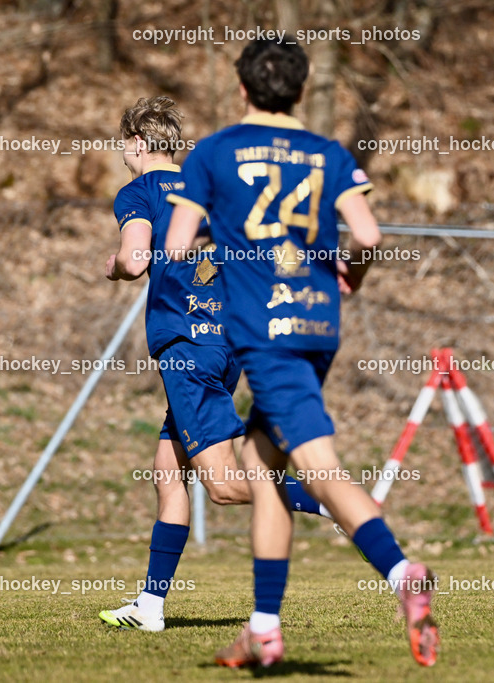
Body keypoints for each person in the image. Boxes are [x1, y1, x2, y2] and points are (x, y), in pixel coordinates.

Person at [165, 40, 439, 668]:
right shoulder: (327, 153)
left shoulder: (213, 153)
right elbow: (367, 235)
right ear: (301, 89)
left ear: (241, 90)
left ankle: (403, 574)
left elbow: (178, 248)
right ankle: (262, 627)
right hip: (317, 323)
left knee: (318, 466)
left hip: (264, 331)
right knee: (262, 466)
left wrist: (215, 234)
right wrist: (352, 273)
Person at [99, 96, 326, 632]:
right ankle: (151, 607)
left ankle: (330, 502)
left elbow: (135, 261)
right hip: (223, 346)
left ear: (136, 144)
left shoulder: (138, 191)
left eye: (124, 149)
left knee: (222, 485)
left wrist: (114, 266)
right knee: (167, 471)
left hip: (185, 351)